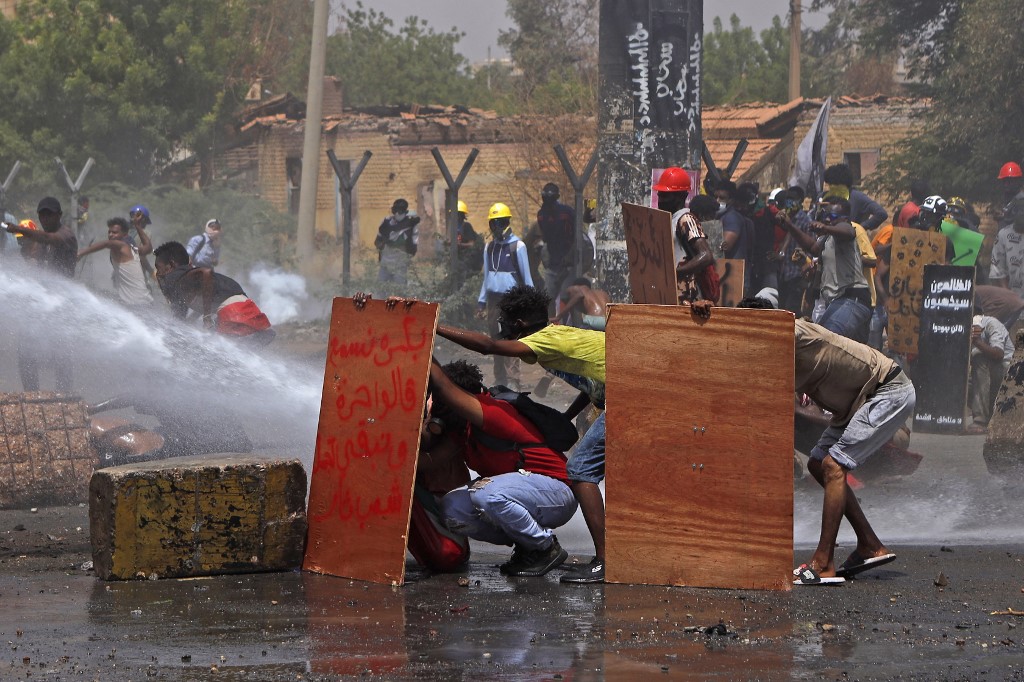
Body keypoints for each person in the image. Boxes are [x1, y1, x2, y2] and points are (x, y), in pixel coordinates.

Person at [438, 284, 609, 583]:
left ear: (518, 325)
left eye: (506, 323)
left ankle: (604, 562)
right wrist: (565, 417)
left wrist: (432, 328)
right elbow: (593, 381)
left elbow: (488, 346)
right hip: (621, 390)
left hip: (628, 394)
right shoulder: (557, 334)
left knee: (580, 470)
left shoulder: (542, 341)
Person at [740, 296, 915, 582]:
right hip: (858, 402)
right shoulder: (776, 347)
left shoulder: (790, 331)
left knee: (833, 466)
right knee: (818, 463)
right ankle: (870, 545)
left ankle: (823, 563)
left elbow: (780, 328)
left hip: (887, 391)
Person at [427, 359, 578, 576]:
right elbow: (430, 459)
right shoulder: (462, 430)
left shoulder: (493, 412)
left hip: (557, 492)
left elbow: (443, 385)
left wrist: (422, 341)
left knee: (485, 493)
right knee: (452, 508)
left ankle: (545, 548)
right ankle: (526, 543)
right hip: (520, 495)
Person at [4, 197, 78, 392]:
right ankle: (32, 396)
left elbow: (48, 239)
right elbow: (36, 264)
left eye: (49, 214)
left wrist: (19, 230)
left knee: (60, 353)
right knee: (26, 349)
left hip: (61, 303)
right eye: (42, 214)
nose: (45, 218)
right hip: (42, 302)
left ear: (59, 215)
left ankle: (64, 396)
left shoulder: (65, 235)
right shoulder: (42, 241)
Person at [779, 197, 872, 343]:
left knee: (825, 343)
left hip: (852, 298)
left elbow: (847, 231)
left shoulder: (848, 229)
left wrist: (825, 227)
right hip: (837, 301)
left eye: (833, 216)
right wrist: (790, 226)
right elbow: (812, 247)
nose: (828, 219)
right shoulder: (827, 238)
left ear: (845, 218)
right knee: (819, 341)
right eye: (826, 216)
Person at [152, 241, 274, 345]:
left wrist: (207, 317)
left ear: (172, 265)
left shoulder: (177, 276)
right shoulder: (185, 283)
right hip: (246, 309)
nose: (158, 273)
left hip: (233, 312)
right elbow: (181, 317)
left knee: (220, 349)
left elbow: (206, 272)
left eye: (159, 267)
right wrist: (190, 322)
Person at [477, 202, 533, 390]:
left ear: (507, 222)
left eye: (500, 222)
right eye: (494, 223)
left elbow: (527, 278)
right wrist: (481, 301)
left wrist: (530, 304)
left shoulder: (518, 246)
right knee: (494, 341)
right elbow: (486, 278)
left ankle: (513, 381)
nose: (496, 226)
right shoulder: (489, 247)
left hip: (512, 300)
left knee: (510, 340)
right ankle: (499, 380)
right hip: (493, 300)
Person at [653, 167, 717, 303]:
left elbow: (706, 256)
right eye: (660, 194)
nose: (660, 199)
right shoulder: (670, 220)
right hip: (670, 294)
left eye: (665, 195)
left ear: (681, 196)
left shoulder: (686, 219)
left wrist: (675, 273)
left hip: (687, 297)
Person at [76, 217, 154, 307]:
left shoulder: (123, 246)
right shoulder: (133, 248)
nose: (111, 235)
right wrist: (137, 226)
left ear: (125, 234)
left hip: (136, 305)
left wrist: (81, 252)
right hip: (145, 302)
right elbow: (148, 247)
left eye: (115, 232)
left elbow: (106, 244)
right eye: (109, 232)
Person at [965, 309, 1015, 434]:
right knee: (962, 383)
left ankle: (980, 420)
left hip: (1010, 374)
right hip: (989, 379)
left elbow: (998, 354)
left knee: (980, 359)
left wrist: (977, 342)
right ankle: (990, 415)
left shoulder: (992, 324)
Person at [534, 183, 577, 315]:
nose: (548, 202)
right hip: (553, 264)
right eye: (546, 198)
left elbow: (577, 234)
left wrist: (570, 255)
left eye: (550, 198)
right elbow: (545, 237)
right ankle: (550, 327)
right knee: (547, 298)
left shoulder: (567, 212)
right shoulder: (541, 215)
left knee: (567, 297)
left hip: (568, 263)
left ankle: (569, 328)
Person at [715, 181, 756, 297]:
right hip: (727, 275)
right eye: (716, 197)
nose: (718, 201)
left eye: (722, 198)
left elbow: (725, 245)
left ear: (731, 200)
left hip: (734, 276)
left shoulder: (732, 217)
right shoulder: (722, 216)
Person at [823, 163, 888, 230]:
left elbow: (881, 213)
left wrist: (858, 228)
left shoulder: (857, 197)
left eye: (833, 184)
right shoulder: (826, 196)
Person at [375, 198, 420, 287]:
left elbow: (413, 246)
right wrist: (383, 245)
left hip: (400, 263)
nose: (397, 214)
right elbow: (377, 241)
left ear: (405, 212)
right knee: (381, 289)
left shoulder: (411, 224)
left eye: (399, 211)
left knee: (399, 290)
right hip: (386, 261)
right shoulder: (386, 222)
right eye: (395, 211)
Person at [989, 197, 1024, 299]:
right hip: (1011, 297)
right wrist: (1008, 295)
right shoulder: (1004, 235)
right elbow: (997, 269)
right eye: (1019, 213)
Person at [453, 200, 482, 287]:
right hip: (458, 259)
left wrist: (460, 245)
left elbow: (471, 244)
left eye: (456, 214)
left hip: (467, 261)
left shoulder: (466, 226)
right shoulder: (454, 227)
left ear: (461, 215)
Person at [996, 162, 1024, 228]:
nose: (1006, 184)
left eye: (1009, 181)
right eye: (1004, 181)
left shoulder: (1021, 200)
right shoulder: (1007, 199)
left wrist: (1004, 217)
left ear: (1018, 181)